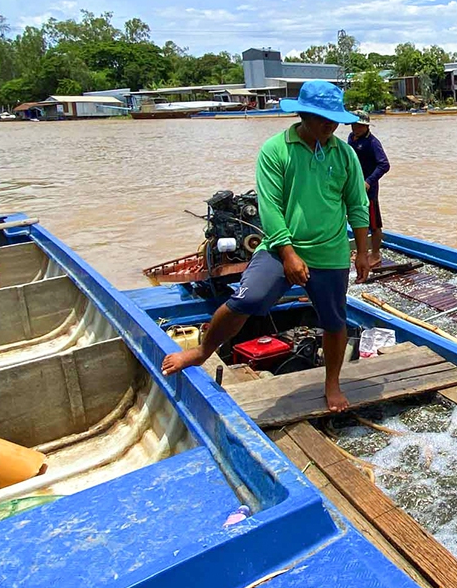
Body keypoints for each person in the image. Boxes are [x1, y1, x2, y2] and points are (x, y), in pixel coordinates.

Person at [162, 80, 372, 412]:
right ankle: (202, 352)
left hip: (330, 252)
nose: (329, 125)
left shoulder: (344, 153)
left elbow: (357, 206)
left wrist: (362, 252)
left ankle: (331, 383)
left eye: (334, 119)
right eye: (321, 119)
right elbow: (270, 208)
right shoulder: (276, 150)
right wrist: (288, 253)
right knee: (247, 299)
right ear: (302, 114)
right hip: (278, 247)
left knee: (335, 321)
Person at [347, 110, 389, 268]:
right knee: (358, 220)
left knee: (374, 223)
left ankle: (376, 254)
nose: (355, 128)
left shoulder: (372, 142)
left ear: (366, 126)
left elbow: (384, 164)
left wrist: (369, 181)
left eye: (359, 125)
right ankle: (362, 252)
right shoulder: (351, 138)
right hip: (353, 187)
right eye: (353, 125)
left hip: (368, 191)